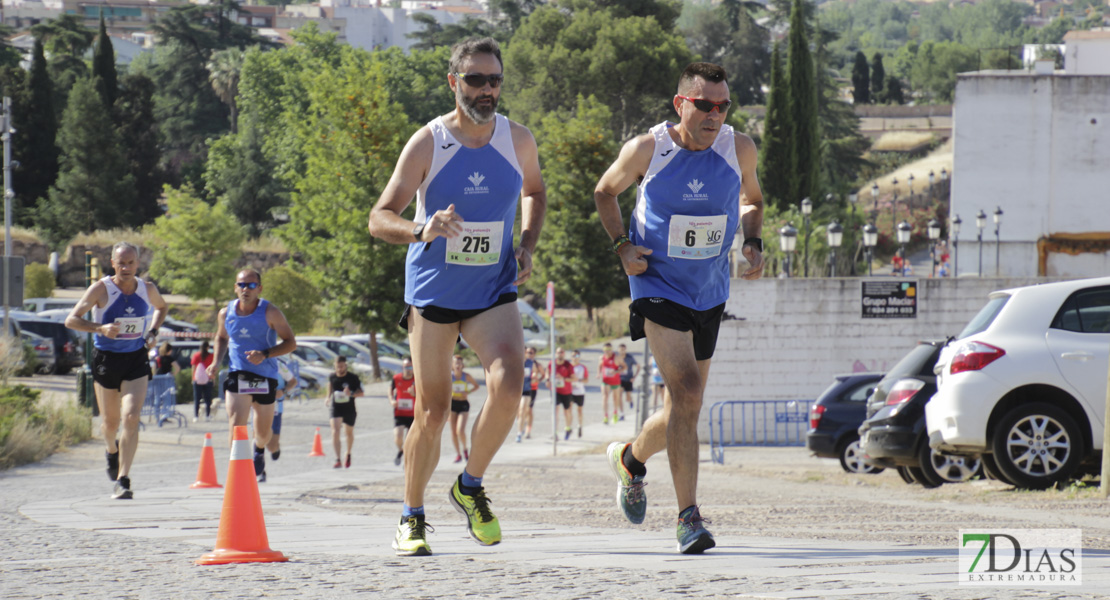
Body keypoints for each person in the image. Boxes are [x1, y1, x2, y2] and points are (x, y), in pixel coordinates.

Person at [368, 36, 546, 557]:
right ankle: (411, 515)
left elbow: (534, 191)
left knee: (511, 382)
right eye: (475, 79)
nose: (487, 89)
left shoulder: (519, 139)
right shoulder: (429, 143)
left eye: (495, 80)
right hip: (435, 294)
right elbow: (379, 218)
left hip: (492, 289)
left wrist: (527, 243)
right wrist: (424, 228)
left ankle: (469, 485)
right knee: (434, 410)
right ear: (454, 82)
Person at [593, 62, 764, 554]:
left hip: (709, 292)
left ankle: (629, 458)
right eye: (704, 105)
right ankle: (689, 518)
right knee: (687, 392)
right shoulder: (650, 149)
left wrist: (752, 241)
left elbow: (752, 200)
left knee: (682, 407)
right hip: (657, 284)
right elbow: (606, 191)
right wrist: (623, 245)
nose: (715, 115)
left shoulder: (739, 148)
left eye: (723, 105)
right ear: (680, 104)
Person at [65, 242, 168, 500]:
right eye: (121, 263)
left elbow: (162, 307)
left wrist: (153, 332)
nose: (126, 268)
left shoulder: (147, 289)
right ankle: (111, 450)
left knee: (131, 418)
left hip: (135, 358)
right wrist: (100, 328)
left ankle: (123, 479)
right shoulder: (101, 289)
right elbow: (71, 319)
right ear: (113, 263)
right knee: (110, 423)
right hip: (106, 359)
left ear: (138, 264)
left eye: (130, 263)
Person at [207, 269, 297, 484]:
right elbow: (221, 337)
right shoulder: (225, 313)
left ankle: (258, 450)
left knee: (263, 433)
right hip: (238, 373)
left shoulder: (270, 312)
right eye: (242, 285)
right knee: (237, 422)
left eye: (251, 285)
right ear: (235, 287)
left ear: (260, 288)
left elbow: (290, 343)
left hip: (265, 375)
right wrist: (215, 362)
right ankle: (237, 471)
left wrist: (265, 354)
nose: (246, 289)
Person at [327, 356, 364, 469]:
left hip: (349, 408)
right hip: (336, 407)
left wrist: (351, 394)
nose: (340, 369)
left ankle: (348, 453)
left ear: (346, 366)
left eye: (342, 366)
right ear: (335, 366)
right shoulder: (332, 377)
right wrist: (328, 397)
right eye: (338, 367)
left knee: (348, 433)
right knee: (335, 431)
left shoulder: (353, 377)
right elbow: (330, 386)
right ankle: (337, 459)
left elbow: (361, 393)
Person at [265, 357, 298, 469]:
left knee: (271, 447)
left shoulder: (279, 365)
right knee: (258, 438)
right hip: (258, 405)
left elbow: (293, 382)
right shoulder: (252, 364)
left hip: (276, 407)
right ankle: (259, 468)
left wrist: (283, 391)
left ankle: (275, 447)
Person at [449, 354, 480, 463]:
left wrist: (468, 392)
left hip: (463, 404)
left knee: (460, 430)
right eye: (455, 363)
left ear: (462, 365)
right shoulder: (449, 376)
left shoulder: (466, 376)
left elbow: (477, 386)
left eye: (459, 363)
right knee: (453, 432)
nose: (458, 365)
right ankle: (458, 454)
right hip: (452, 404)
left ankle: (465, 449)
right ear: (452, 365)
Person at [389, 357, 417, 467]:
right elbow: (390, 390)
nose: (408, 369)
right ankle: (402, 451)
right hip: (399, 413)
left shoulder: (417, 380)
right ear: (402, 368)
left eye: (410, 367)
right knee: (398, 436)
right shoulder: (396, 378)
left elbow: (424, 396)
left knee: (410, 441)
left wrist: (414, 394)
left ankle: (408, 461)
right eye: (406, 367)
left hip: (413, 414)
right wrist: (392, 400)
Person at [548, 348, 574, 440]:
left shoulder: (568, 365)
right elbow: (548, 374)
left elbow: (573, 379)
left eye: (562, 352)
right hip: (555, 390)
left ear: (564, 354)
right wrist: (548, 380)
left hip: (566, 391)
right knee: (555, 411)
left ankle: (567, 428)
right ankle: (554, 432)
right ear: (556, 354)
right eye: (558, 352)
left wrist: (563, 378)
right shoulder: (552, 364)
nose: (560, 354)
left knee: (566, 411)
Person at [516, 346, 539, 442]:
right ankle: (522, 424)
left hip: (527, 389)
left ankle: (519, 434)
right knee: (519, 412)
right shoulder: (516, 362)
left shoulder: (530, 363)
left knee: (523, 409)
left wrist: (534, 376)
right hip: (516, 390)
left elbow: (535, 373)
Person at [597, 343, 623, 424]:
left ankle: (615, 413)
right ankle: (605, 416)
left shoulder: (616, 357)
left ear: (611, 349)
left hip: (615, 381)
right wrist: (598, 373)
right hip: (605, 380)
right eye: (605, 350)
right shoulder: (602, 357)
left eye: (609, 350)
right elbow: (600, 365)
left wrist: (616, 371)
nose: (607, 352)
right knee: (605, 397)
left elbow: (624, 367)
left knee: (615, 398)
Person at [191, 340, 215, 422]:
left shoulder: (196, 355)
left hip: (197, 379)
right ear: (207, 347)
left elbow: (193, 368)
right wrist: (213, 379)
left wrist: (193, 378)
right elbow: (213, 369)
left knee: (197, 398)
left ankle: (196, 416)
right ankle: (207, 416)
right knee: (208, 398)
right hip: (208, 379)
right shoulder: (211, 356)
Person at [568, 350, 588, 439]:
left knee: (579, 410)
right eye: (573, 356)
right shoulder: (568, 367)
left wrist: (578, 381)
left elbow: (586, 380)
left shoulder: (582, 367)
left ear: (579, 357)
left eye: (576, 356)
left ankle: (580, 425)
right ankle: (569, 426)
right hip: (570, 391)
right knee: (569, 409)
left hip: (579, 391)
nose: (575, 358)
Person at [617, 343, 639, 412]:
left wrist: (634, 377)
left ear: (625, 350)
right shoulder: (616, 358)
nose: (622, 351)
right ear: (618, 350)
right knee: (619, 395)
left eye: (623, 350)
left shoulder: (630, 358)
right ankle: (621, 413)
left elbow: (638, 366)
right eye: (620, 350)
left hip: (629, 379)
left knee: (627, 398)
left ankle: (630, 400)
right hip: (620, 379)